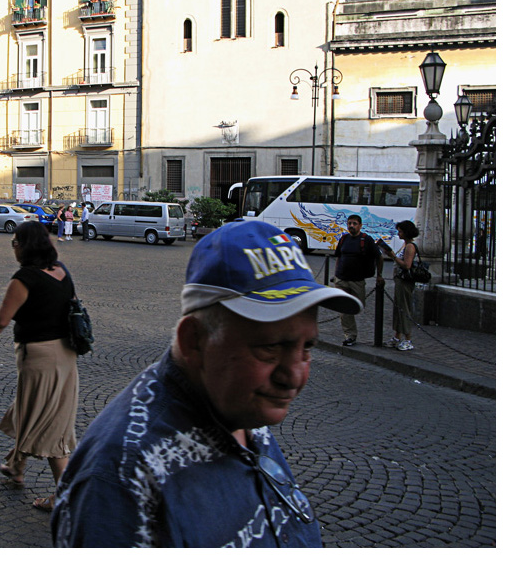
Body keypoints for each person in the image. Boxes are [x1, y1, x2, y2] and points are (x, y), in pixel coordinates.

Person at [51, 220, 362, 547]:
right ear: (195, 341)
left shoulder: (239, 404)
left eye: (307, 348)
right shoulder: (120, 483)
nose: (295, 376)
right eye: (270, 347)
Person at [0, 221, 79, 512]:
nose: (13, 247)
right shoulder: (61, 271)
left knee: (50, 424)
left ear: (25, 246)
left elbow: (0, 321)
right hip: (66, 354)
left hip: (39, 356)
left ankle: (64, 497)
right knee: (32, 408)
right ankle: (16, 466)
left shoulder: (24, 279)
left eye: (15, 242)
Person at [333, 214, 383, 346]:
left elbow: (379, 257)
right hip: (342, 279)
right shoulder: (344, 239)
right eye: (349, 223)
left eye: (354, 223)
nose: (351, 226)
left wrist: (379, 275)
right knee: (344, 308)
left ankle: (351, 328)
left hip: (357, 280)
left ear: (360, 225)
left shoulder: (366, 240)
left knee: (359, 305)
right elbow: (339, 256)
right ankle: (350, 335)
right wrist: (336, 274)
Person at [378, 220, 419, 351]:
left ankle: (408, 339)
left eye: (400, 231)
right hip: (399, 280)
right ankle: (397, 336)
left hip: (405, 282)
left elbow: (407, 265)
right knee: (398, 308)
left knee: (404, 308)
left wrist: (393, 256)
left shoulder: (410, 247)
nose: (398, 233)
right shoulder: (405, 245)